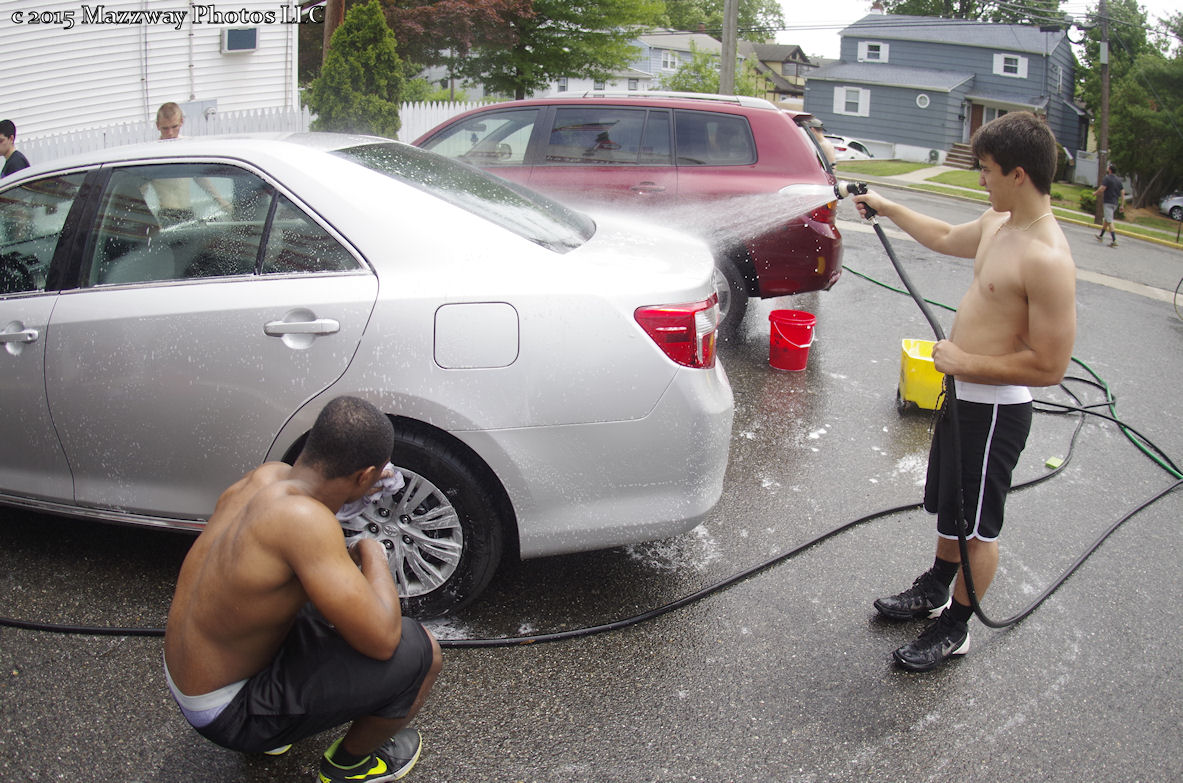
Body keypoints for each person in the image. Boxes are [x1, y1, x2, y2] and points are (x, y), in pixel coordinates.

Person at [853, 111, 1077, 672]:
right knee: (950, 506)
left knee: (979, 525)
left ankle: (956, 626)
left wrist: (964, 360)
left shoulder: (1046, 257)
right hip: (963, 399)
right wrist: (890, 206)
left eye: (987, 170)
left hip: (997, 413)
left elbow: (1051, 364)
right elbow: (949, 237)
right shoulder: (999, 223)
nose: (981, 179)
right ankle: (934, 586)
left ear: (1019, 174)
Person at [164, 396, 442, 781]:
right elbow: (382, 639)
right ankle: (350, 766)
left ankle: (278, 728)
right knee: (421, 652)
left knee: (332, 605)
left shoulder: (267, 476)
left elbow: (275, 560)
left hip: (189, 677)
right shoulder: (305, 522)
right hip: (225, 712)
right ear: (364, 476)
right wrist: (372, 550)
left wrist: (345, 510)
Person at [1093, 162, 1123, 247]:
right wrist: (1122, 205)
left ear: (1109, 170)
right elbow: (1123, 192)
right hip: (1115, 204)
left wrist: (1095, 193)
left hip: (1108, 202)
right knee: (1107, 219)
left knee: (1110, 221)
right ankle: (1101, 236)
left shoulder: (1107, 178)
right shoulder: (1118, 180)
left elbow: (1102, 188)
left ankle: (1114, 240)